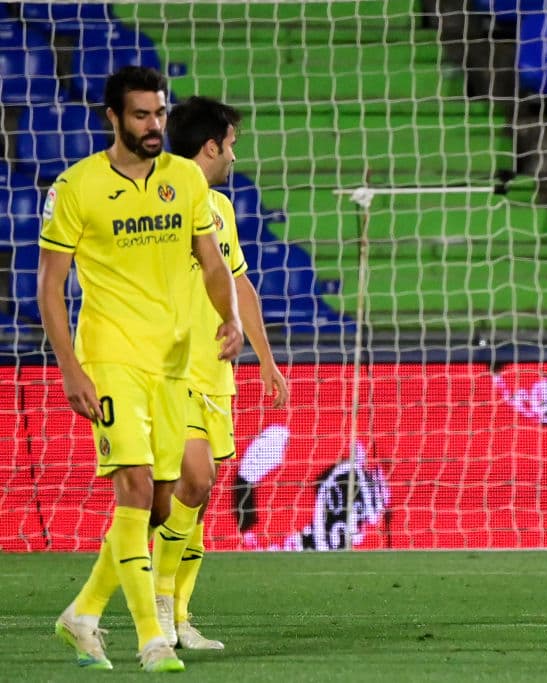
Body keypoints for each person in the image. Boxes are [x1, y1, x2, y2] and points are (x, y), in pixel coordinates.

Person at [39, 67, 243, 672]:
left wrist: (228, 317)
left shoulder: (185, 180)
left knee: (160, 501)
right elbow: (51, 286)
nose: (153, 126)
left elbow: (213, 263)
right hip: (109, 359)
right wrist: (70, 367)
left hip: (174, 363)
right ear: (113, 118)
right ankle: (153, 638)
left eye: (158, 114)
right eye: (140, 116)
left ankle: (81, 615)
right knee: (132, 485)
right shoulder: (76, 188)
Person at [150, 95, 289, 650]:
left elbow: (239, 285)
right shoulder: (159, 200)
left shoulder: (220, 209)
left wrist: (267, 360)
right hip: (167, 367)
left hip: (215, 372)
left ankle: (180, 617)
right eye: (231, 144)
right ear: (211, 145)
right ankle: (157, 603)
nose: (235, 154)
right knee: (196, 477)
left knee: (199, 497)